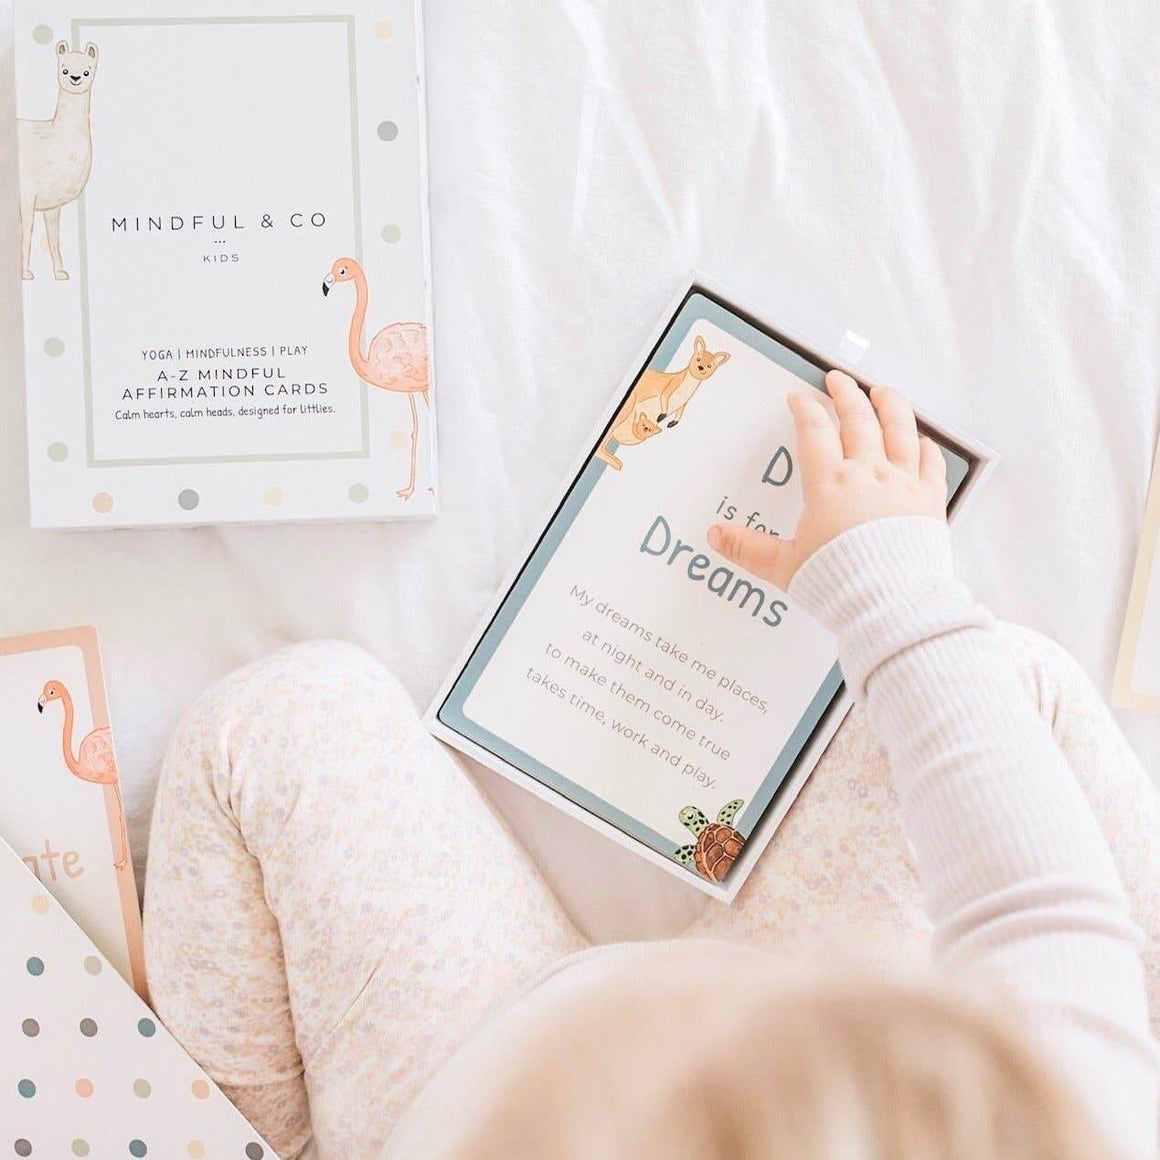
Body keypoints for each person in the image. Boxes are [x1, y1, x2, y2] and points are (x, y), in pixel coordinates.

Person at [144, 372, 1158, 1159]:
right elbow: (1039, 906)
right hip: (850, 1027)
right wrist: (892, 590)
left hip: (447, 1075)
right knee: (1007, 687)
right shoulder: (1049, 1108)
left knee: (280, 722)